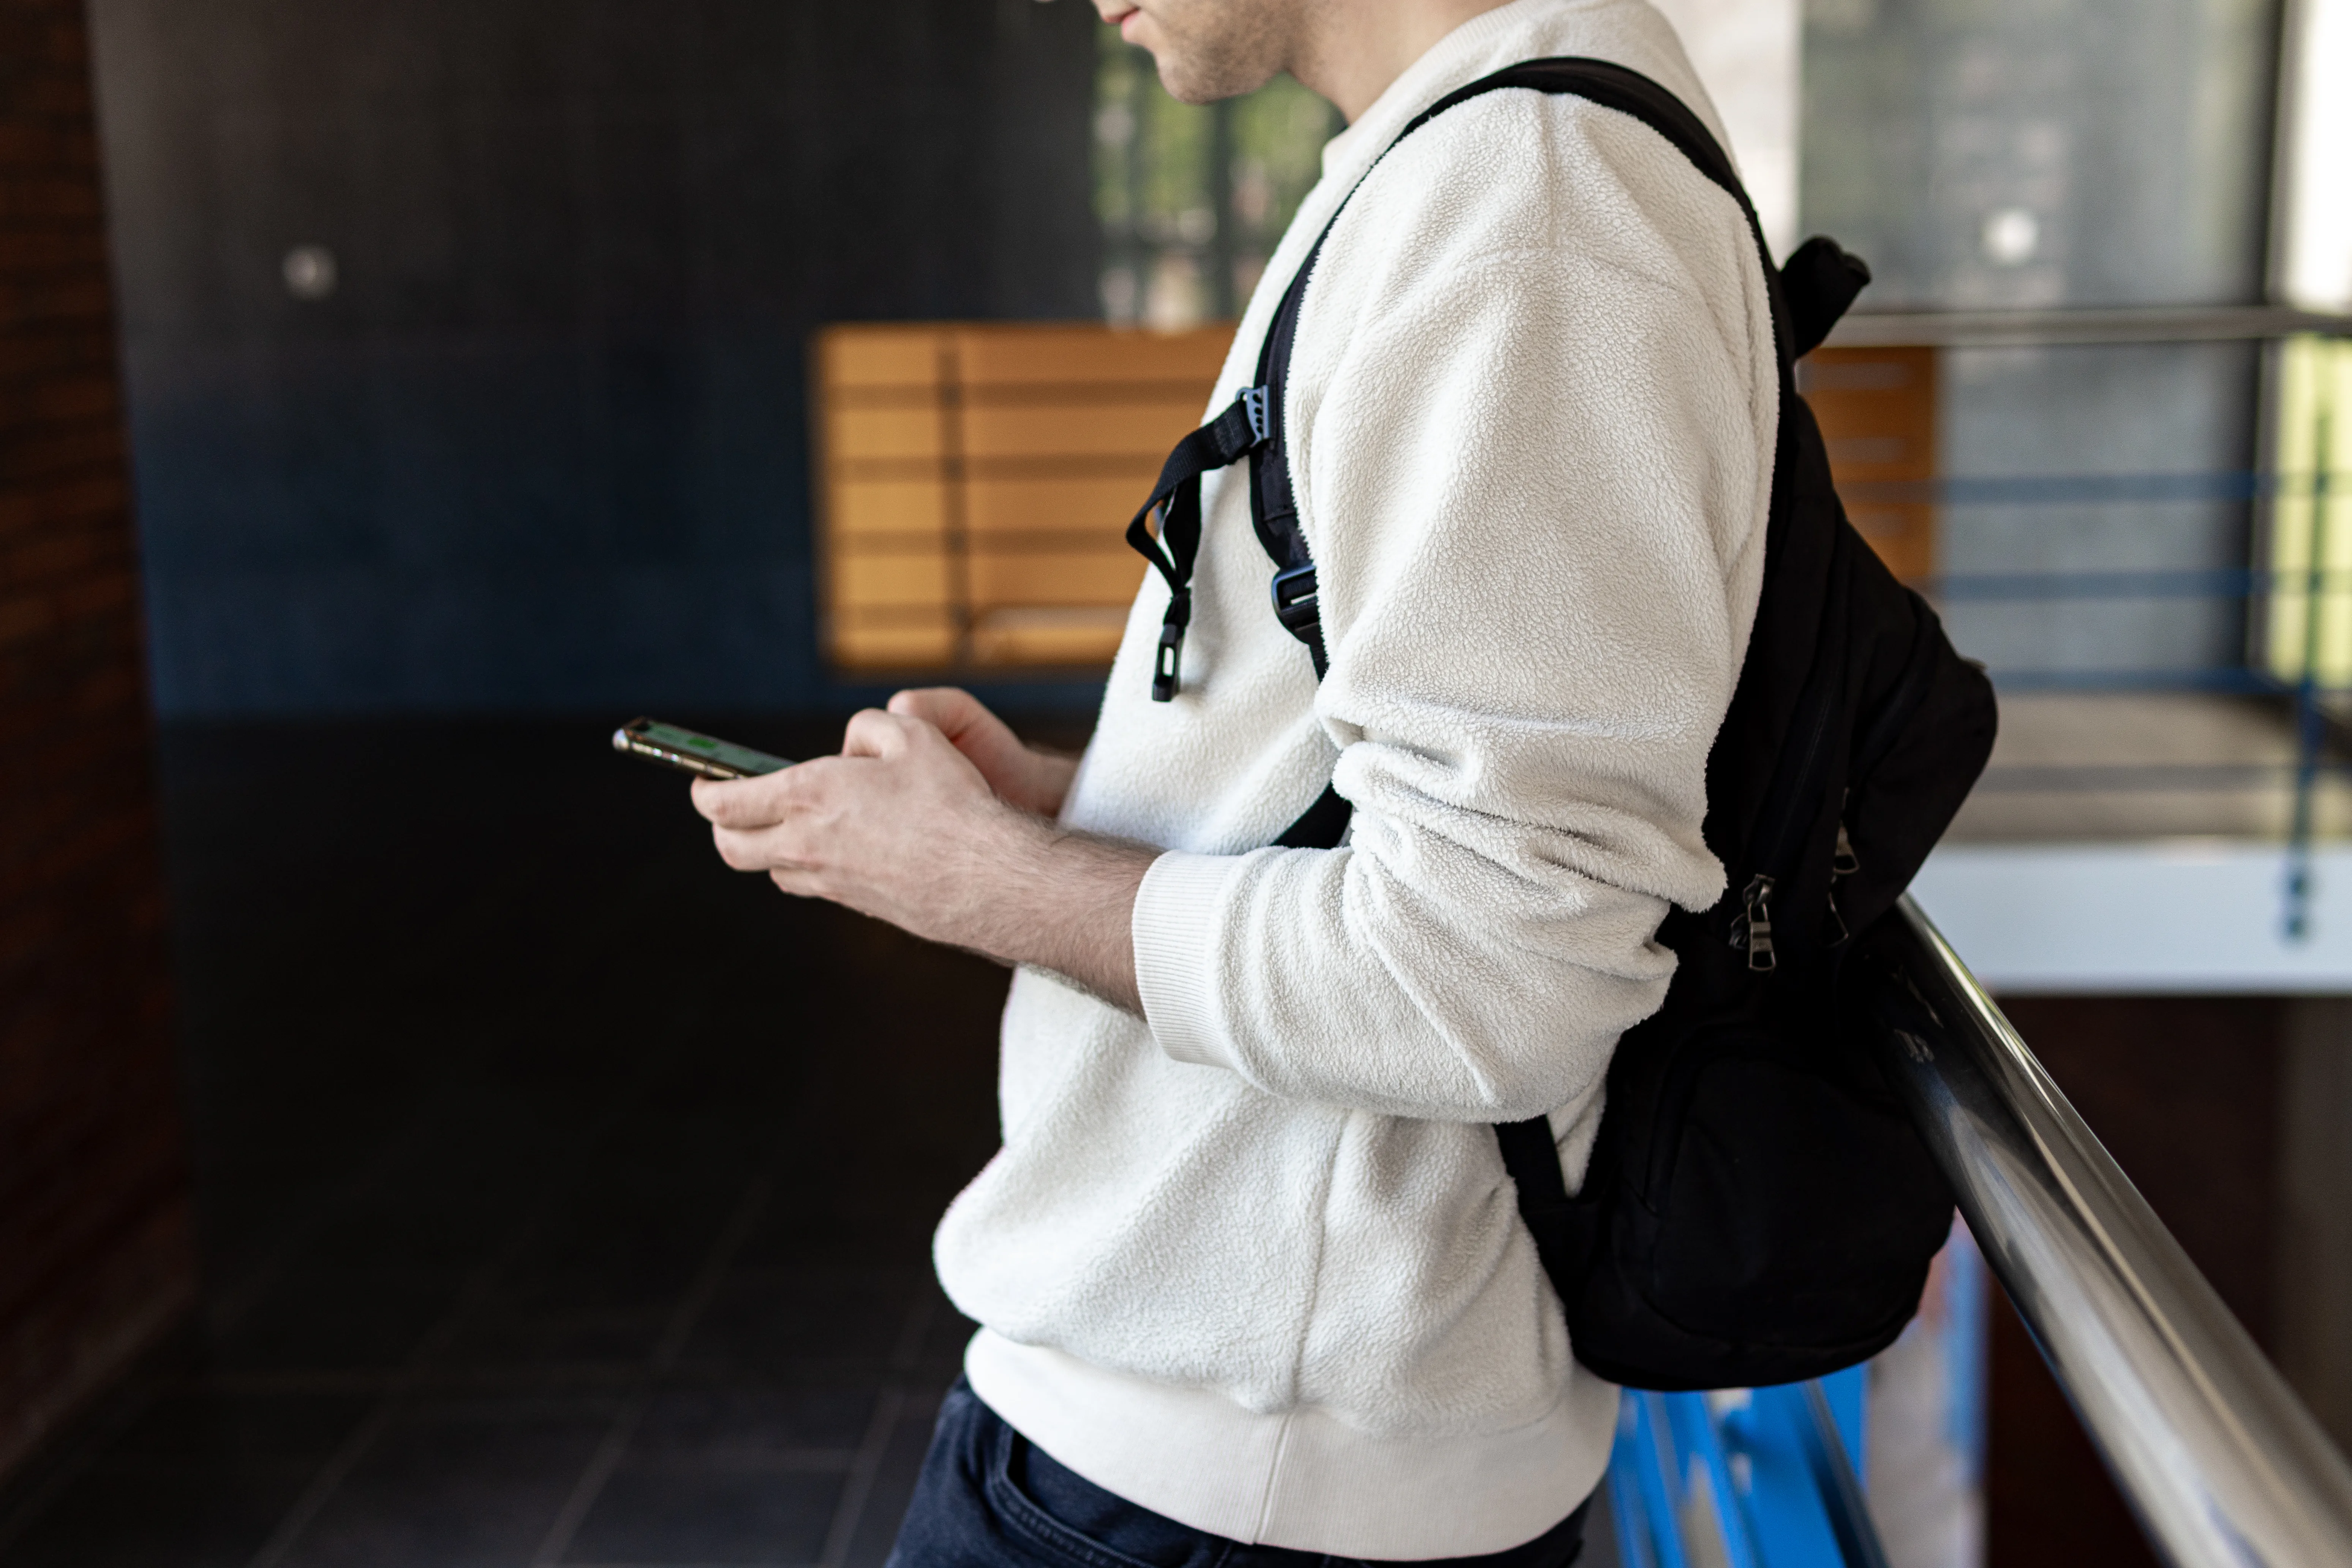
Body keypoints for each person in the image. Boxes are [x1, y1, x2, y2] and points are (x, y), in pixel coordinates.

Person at [691, 0, 1777, 1559]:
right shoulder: (1482, 155)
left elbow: (1492, 965)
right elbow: (1408, 798)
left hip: (1227, 1478)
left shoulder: (1526, 205)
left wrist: (975, 880)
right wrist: (1077, 808)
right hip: (1251, 1445)